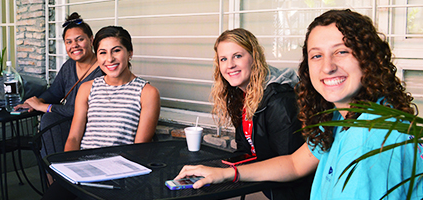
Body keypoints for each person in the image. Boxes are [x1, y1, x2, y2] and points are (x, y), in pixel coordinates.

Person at [176, 9, 423, 199]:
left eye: (342, 51)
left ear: (368, 57)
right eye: (317, 55)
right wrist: (227, 174)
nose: (327, 66)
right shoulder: (342, 117)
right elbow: (295, 163)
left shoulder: (376, 138)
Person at [41, 25, 160, 200]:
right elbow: (74, 137)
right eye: (103, 53)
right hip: (83, 170)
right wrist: (68, 170)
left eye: (116, 50)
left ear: (130, 52)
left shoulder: (147, 93)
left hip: (121, 176)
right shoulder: (87, 88)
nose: (109, 59)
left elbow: (139, 149)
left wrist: (106, 171)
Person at [209, 28, 311, 199]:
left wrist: (228, 174)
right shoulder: (241, 94)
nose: (230, 65)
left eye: (238, 56)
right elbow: (245, 148)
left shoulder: (280, 101)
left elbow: (291, 168)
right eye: (223, 59)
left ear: (254, 57)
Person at [14, 12, 104, 156]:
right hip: (69, 122)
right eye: (69, 42)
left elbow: (82, 111)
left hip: (91, 126)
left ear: (91, 40)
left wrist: (44, 107)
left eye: (80, 39)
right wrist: (36, 102)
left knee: (49, 118)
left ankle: (58, 172)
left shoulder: (103, 69)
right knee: (49, 120)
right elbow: (55, 92)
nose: (74, 45)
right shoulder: (69, 66)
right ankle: (52, 175)